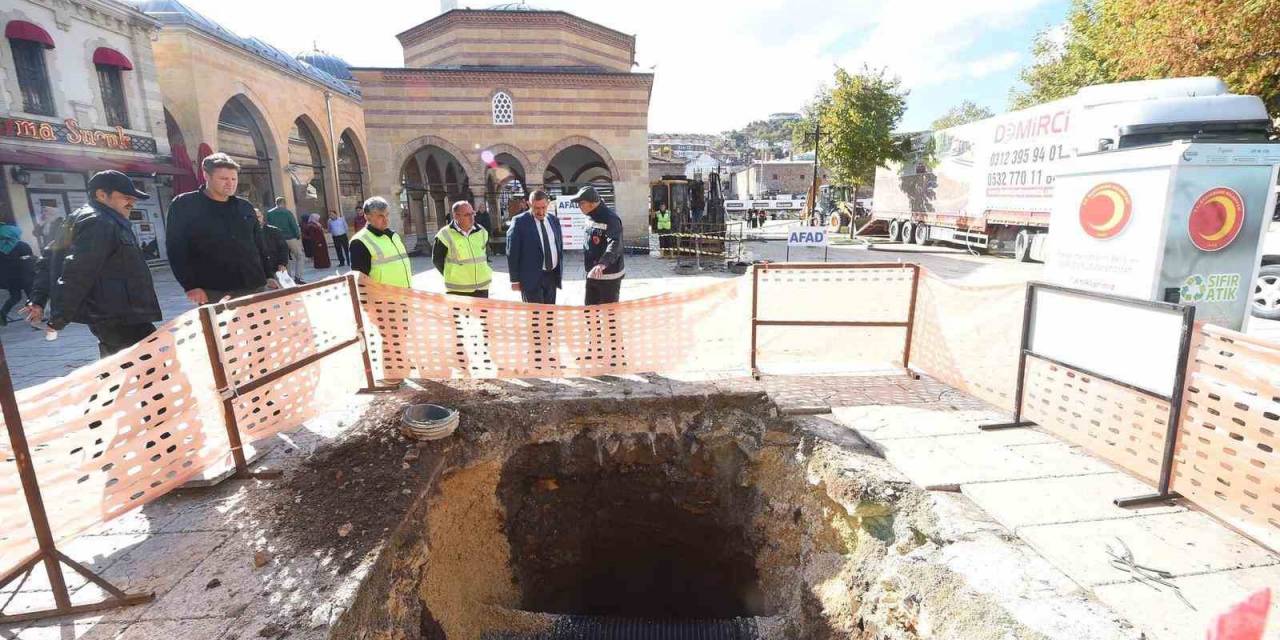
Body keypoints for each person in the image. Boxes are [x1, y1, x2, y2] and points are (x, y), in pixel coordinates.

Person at [35, 171, 161, 356]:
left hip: (119, 314)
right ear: (102, 195)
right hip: (119, 315)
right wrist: (59, 317)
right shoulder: (100, 222)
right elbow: (78, 271)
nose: (131, 203)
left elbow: (50, 259)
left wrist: (37, 299)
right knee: (142, 364)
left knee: (129, 362)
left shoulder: (90, 218)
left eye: (133, 199)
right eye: (126, 197)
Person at [166, 153, 278, 305]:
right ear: (206, 176)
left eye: (234, 179)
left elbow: (259, 243)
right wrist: (190, 286)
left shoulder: (245, 206)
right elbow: (176, 250)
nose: (230, 184)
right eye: (223, 179)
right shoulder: (184, 205)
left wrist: (269, 274)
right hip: (214, 289)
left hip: (254, 284)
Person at [506, 190, 563, 304]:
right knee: (535, 313)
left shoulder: (554, 220)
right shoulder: (519, 222)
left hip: (551, 276)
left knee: (550, 311)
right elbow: (512, 252)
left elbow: (558, 245)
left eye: (543, 207)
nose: (541, 212)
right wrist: (514, 280)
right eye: (536, 208)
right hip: (530, 278)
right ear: (529, 204)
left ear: (548, 204)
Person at [574, 186, 624, 305]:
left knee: (609, 312)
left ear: (592, 204)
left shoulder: (610, 218)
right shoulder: (590, 215)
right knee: (590, 310)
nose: (579, 206)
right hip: (592, 272)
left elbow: (615, 242)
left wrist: (603, 263)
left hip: (608, 275)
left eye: (581, 203)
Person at [432, 201, 491, 297]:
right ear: (456, 216)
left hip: (482, 287)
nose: (471, 217)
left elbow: (484, 255)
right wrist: (452, 275)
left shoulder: (482, 231)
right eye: (467, 215)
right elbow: (437, 260)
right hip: (458, 289)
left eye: (472, 213)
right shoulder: (444, 234)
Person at [349, 196, 412, 287]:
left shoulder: (394, 236)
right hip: (382, 295)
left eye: (387, 215)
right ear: (367, 217)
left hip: (405, 293)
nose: (386, 220)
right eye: (380, 216)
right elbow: (360, 282)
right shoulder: (359, 242)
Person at [266, 196, 306, 284]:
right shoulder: (287, 212)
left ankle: (288, 278)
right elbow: (293, 224)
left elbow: (267, 226)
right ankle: (298, 277)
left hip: (277, 239)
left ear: (276, 203)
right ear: (284, 203)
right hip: (290, 237)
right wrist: (297, 235)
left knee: (285, 259)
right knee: (299, 256)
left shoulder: (269, 213)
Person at [0, 225, 33, 325]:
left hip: (9, 278)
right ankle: (34, 319)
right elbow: (30, 261)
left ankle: (2, 314)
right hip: (24, 275)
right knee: (31, 296)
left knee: (15, 297)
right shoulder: (22, 245)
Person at [255, 208, 291, 283]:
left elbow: (283, 248)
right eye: (254, 218)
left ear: (262, 216)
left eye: (258, 217)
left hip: (277, 267)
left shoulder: (274, 231)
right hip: (261, 272)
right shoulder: (249, 235)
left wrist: (282, 263)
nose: (257, 220)